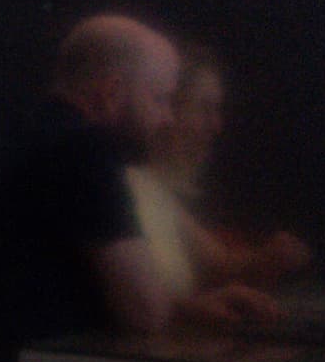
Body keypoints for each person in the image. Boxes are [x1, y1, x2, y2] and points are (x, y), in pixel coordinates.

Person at [0, 14, 281, 362]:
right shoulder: (83, 149)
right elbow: (145, 315)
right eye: (160, 99)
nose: (166, 118)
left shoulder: (25, 137)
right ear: (111, 93)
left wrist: (191, 309)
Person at [128, 43, 310, 299]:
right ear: (169, 110)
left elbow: (222, 264)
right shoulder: (122, 185)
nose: (217, 126)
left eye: (217, 110)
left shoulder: (156, 191)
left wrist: (270, 256)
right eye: (205, 108)